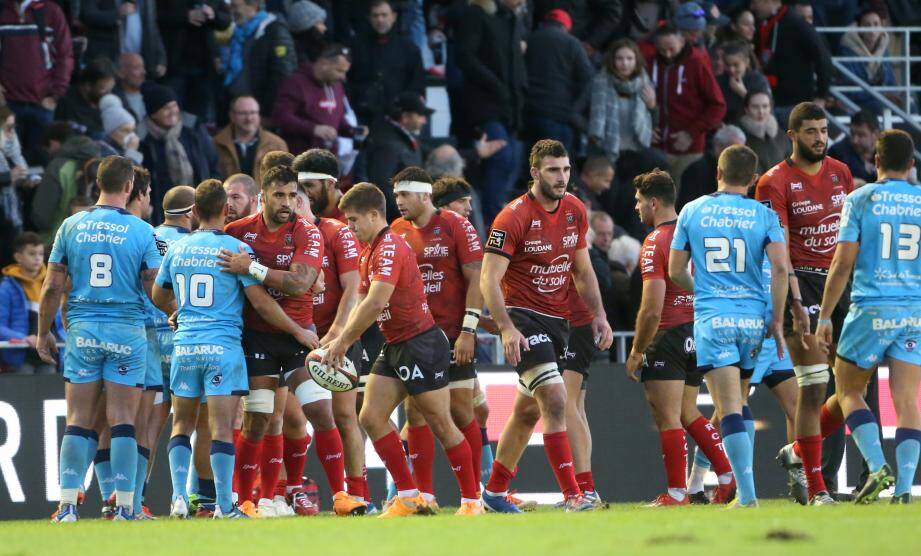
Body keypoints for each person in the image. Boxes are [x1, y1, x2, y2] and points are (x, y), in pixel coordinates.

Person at [320, 182, 483, 517]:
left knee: (441, 421)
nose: (350, 227)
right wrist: (335, 334)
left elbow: (376, 300)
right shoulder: (370, 250)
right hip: (395, 343)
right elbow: (363, 301)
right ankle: (409, 497)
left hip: (421, 343)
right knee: (371, 416)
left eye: (353, 220)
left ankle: (471, 501)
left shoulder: (390, 247)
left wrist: (343, 341)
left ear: (373, 214)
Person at [153, 179, 312, 519]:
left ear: (194, 212)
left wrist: (178, 310)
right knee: (222, 428)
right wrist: (298, 330)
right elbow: (262, 304)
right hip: (222, 348)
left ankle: (178, 497)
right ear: (226, 210)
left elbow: (158, 294)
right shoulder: (237, 251)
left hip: (186, 346)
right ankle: (225, 505)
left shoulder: (178, 248)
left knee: (181, 424)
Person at [219, 165, 365, 518]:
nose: (287, 202)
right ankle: (246, 501)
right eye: (279, 195)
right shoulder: (237, 233)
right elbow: (246, 291)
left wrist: (251, 268)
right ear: (262, 197)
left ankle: (341, 496)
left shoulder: (308, 233)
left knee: (320, 411)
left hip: (301, 337)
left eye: (291, 195)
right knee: (257, 420)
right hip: (257, 339)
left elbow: (299, 283)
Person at [478, 139, 613, 513]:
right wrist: (506, 327)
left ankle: (493, 493)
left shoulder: (574, 210)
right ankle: (575, 496)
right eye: (554, 170)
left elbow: (583, 271)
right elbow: (488, 279)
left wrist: (599, 314)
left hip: (558, 321)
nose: (562, 177)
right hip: (522, 316)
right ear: (535, 172)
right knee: (556, 398)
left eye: (566, 169)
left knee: (526, 412)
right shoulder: (513, 216)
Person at [40, 155, 167, 522]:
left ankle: (66, 506)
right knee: (123, 419)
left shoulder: (70, 225)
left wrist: (43, 332)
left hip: (82, 330)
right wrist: (174, 312)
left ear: (97, 184)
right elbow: (153, 289)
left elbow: (51, 286)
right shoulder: (143, 232)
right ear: (129, 187)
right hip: (126, 330)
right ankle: (125, 505)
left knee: (79, 418)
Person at [668, 144, 789, 509]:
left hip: (713, 319)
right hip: (753, 321)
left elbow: (675, 271)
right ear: (753, 179)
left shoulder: (692, 210)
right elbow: (781, 269)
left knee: (729, 408)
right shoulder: (764, 216)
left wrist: (704, 288)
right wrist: (778, 320)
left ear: (717, 172)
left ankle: (748, 496)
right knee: (738, 401)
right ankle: (744, 492)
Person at [755, 102, 854, 506]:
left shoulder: (841, 173)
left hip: (842, 285)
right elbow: (779, 248)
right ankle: (819, 487)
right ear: (792, 135)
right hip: (804, 289)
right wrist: (793, 299)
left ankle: (798, 453)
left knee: (853, 388)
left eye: (823, 130)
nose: (819, 138)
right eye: (810, 131)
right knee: (814, 390)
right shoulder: (773, 182)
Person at [815, 129, 921, 505]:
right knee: (908, 401)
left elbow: (843, 262)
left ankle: (877, 467)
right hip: (914, 310)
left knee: (847, 389)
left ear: (875, 161)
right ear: (911, 164)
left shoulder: (860, 199)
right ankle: (906, 488)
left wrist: (825, 316)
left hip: (871, 307)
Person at [625, 169, 736, 506]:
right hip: (699, 331)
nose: (637, 208)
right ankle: (728, 476)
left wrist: (636, 350)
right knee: (689, 411)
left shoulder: (656, 241)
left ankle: (676, 493)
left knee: (667, 415)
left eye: (640, 202)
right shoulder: (696, 232)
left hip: (669, 335)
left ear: (654, 202)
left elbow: (651, 308)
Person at [390, 166, 486, 507]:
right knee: (415, 413)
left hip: (454, 334)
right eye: (396, 194)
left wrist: (468, 331)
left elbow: (478, 280)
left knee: (461, 413)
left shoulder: (456, 225)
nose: (398, 201)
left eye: (404, 195)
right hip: (416, 336)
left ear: (424, 195)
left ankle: (473, 497)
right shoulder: (396, 231)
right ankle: (425, 496)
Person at [292, 149, 370, 510]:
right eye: (296, 190)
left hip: (339, 335)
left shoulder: (339, 229)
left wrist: (339, 332)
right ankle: (273, 493)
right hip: (297, 335)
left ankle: (355, 493)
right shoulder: (288, 230)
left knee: (345, 415)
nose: (300, 197)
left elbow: (356, 287)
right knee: (278, 416)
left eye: (306, 188)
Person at [455, 0, 527, 225]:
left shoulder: (511, 19)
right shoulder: (475, 15)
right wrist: (495, 85)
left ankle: (497, 218)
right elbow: (466, 57)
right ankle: (493, 222)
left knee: (513, 157)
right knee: (503, 156)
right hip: (483, 105)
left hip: (509, 107)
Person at [648, 25, 726, 183]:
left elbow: (718, 106)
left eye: (671, 49)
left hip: (689, 150)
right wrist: (646, 128)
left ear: (682, 41)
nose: (667, 54)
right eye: (662, 50)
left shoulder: (696, 63)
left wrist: (691, 133)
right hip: (656, 149)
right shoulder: (650, 64)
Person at [0, 0, 74, 164]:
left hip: (42, 104)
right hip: (7, 106)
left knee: (42, 162)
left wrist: (55, 95)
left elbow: (65, 54)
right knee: (8, 164)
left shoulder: (51, 11)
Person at [140, 84, 219, 223]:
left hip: (198, 208)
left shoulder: (193, 131)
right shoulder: (143, 141)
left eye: (174, 106)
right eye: (166, 108)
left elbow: (212, 164)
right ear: (153, 113)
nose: (172, 111)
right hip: (162, 215)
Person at [523, 9, 594, 155]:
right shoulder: (573, 43)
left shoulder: (530, 39)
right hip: (558, 116)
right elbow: (589, 80)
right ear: (566, 27)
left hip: (529, 113)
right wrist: (575, 111)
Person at [273, 43, 360, 157]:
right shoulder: (296, 83)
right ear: (324, 64)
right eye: (339, 71)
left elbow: (336, 118)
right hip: (300, 157)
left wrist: (351, 131)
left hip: (328, 159)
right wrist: (313, 129)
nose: (343, 77)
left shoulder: (336, 86)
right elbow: (280, 117)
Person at [347, 0, 425, 126]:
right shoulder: (356, 47)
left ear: (394, 17)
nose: (380, 20)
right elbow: (348, 81)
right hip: (362, 117)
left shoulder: (409, 49)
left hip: (396, 119)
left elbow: (417, 85)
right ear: (369, 18)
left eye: (384, 15)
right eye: (375, 15)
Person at [750, 0, 832, 115]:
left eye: (755, 2)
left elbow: (822, 57)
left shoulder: (796, 24)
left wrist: (821, 96)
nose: (752, 6)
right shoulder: (764, 23)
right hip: (771, 101)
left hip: (795, 105)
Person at [0, 232, 63, 374]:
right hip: (20, 357)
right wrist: (23, 338)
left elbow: (61, 321)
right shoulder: (6, 287)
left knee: (49, 379)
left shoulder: (52, 284)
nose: (37, 258)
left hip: (50, 354)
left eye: (40, 254)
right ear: (18, 257)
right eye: (32, 254)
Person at [158, 0, 232, 121]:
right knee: (170, 113)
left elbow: (226, 20)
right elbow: (156, 17)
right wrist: (186, 16)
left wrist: (213, 15)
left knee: (197, 118)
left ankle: (194, 139)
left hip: (204, 65)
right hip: (173, 64)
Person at [223, 0, 296, 121]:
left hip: (259, 110)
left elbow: (283, 74)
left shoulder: (274, 30)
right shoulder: (238, 32)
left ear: (253, 5)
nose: (232, 11)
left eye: (235, 7)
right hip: (236, 104)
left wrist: (266, 111)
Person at [589, 38, 655, 166]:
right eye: (619, 58)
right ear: (612, 61)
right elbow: (575, 113)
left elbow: (653, 116)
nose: (625, 63)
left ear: (636, 60)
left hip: (636, 151)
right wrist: (594, 131)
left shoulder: (644, 83)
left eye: (630, 58)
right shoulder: (599, 82)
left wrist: (652, 107)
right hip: (605, 151)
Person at [366, 93, 433, 221]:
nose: (424, 121)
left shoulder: (406, 137)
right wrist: (403, 215)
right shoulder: (388, 143)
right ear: (405, 117)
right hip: (396, 220)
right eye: (420, 115)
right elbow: (382, 185)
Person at [30, 134, 102, 244]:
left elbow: (42, 218)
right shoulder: (102, 166)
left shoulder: (58, 166)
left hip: (57, 243)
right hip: (93, 243)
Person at [80, 0, 166, 79]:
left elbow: (152, 27)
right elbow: (87, 15)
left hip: (139, 65)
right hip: (110, 61)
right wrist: (116, 14)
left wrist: (160, 57)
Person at [213, 96, 288, 183]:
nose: (249, 118)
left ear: (259, 115)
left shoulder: (277, 144)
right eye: (243, 113)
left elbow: (284, 181)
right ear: (231, 116)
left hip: (263, 196)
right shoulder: (216, 144)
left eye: (253, 113)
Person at [675, 124, 746, 213]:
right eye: (733, 150)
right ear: (718, 147)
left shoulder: (741, 171)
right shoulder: (696, 172)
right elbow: (689, 211)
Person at [838, 10, 898, 112]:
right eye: (867, 25)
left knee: (911, 103)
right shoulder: (847, 52)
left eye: (876, 24)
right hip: (858, 103)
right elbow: (850, 90)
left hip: (880, 99)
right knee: (881, 108)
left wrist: (894, 95)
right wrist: (882, 95)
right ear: (859, 28)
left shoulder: (884, 50)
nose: (872, 29)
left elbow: (891, 83)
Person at [55, 58, 118, 140]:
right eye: (103, 89)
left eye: (110, 90)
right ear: (87, 86)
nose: (108, 95)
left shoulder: (107, 102)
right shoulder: (67, 102)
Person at [738, 91, 790, 175]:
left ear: (770, 108)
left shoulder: (781, 135)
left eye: (765, 106)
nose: (761, 111)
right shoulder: (739, 136)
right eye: (755, 107)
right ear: (746, 109)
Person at [717, 41, 770, 123]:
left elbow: (766, 109)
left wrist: (742, 92)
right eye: (727, 65)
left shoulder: (757, 80)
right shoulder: (720, 80)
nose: (731, 69)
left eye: (736, 65)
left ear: (746, 62)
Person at [828, 109, 879, 187]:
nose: (855, 140)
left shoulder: (886, 153)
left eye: (861, 135)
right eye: (852, 133)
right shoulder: (837, 152)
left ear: (875, 134)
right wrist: (847, 183)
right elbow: (828, 179)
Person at [98, 95, 143, 164]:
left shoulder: (122, 150)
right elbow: (124, 173)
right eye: (126, 131)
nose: (132, 136)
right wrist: (131, 153)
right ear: (111, 131)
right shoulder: (103, 151)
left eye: (133, 130)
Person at [113, 54, 148, 138]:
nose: (143, 72)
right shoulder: (114, 101)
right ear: (121, 73)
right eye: (137, 68)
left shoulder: (154, 94)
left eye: (143, 67)